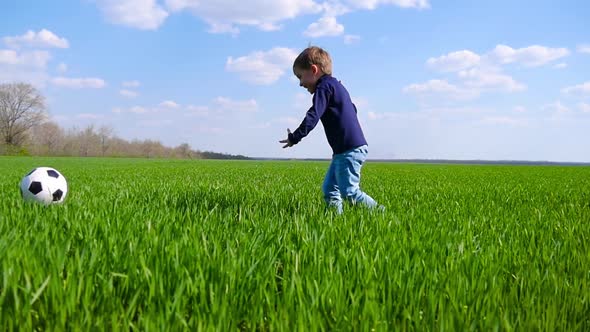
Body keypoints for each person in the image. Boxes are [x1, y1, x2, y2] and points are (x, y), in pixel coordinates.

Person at [279, 46, 382, 214]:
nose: (300, 83)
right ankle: (335, 221)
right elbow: (352, 109)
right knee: (330, 189)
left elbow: (313, 115)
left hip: (348, 150)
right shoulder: (336, 87)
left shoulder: (324, 88)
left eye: (300, 76)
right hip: (345, 150)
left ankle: (382, 214)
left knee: (350, 192)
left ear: (313, 70)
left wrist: (295, 137)